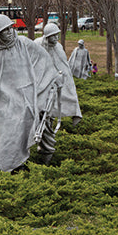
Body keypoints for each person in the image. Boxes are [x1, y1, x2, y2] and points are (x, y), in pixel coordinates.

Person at [0, 14, 61, 171]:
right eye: (4, 30)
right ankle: (12, 164)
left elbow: (43, 60)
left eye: (10, 27)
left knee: (23, 126)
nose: (9, 32)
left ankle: (23, 162)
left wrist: (51, 79)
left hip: (25, 97)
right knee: (6, 131)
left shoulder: (23, 43)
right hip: (2, 101)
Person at [33, 24, 82, 159]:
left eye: (57, 35)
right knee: (41, 118)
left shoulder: (58, 48)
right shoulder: (37, 45)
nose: (56, 38)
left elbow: (63, 68)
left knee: (50, 118)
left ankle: (47, 153)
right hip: (40, 89)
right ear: (47, 36)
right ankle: (43, 151)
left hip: (54, 90)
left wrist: (60, 80)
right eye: (52, 36)